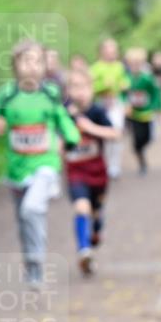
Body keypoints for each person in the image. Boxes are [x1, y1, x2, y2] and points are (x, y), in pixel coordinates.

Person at [0, 39, 80, 288]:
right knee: (24, 222)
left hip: (45, 163)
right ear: (15, 65)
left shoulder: (51, 93)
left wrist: (71, 138)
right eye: (26, 61)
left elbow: (62, 118)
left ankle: (38, 256)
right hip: (17, 169)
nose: (32, 67)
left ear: (45, 66)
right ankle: (33, 268)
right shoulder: (8, 94)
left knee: (31, 210)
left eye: (37, 61)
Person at [63, 69, 119, 275]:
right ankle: (83, 251)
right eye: (74, 87)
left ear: (91, 89)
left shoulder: (97, 111)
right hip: (76, 173)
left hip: (98, 174)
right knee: (81, 208)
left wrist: (88, 127)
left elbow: (115, 133)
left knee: (95, 214)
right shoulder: (63, 113)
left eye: (83, 87)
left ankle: (95, 231)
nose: (79, 92)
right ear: (68, 91)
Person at [88, 38, 129, 179]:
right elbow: (90, 87)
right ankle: (102, 163)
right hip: (100, 103)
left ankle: (114, 165)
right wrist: (103, 85)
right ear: (102, 52)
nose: (112, 53)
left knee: (116, 133)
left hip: (115, 103)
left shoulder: (119, 67)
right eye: (109, 50)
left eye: (114, 50)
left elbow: (125, 82)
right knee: (102, 135)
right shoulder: (95, 68)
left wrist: (123, 84)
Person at [123, 47, 161, 175]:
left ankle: (140, 150)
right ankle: (142, 163)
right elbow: (122, 94)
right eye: (132, 63)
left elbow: (156, 93)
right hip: (133, 114)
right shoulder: (126, 78)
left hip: (146, 114)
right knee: (137, 140)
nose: (134, 66)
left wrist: (156, 107)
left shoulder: (147, 78)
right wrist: (125, 104)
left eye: (137, 63)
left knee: (148, 138)